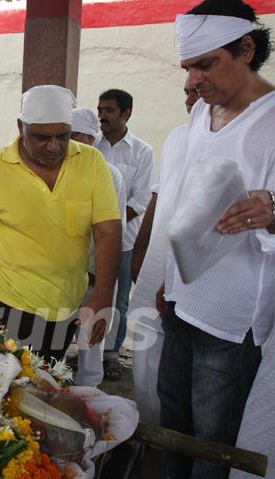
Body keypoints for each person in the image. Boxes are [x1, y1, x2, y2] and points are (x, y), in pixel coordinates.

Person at [156, 2, 275, 477]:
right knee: (174, 425)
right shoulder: (200, 116)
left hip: (231, 321)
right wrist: (171, 280)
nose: (196, 79)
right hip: (182, 303)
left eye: (207, 63)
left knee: (213, 442)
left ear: (246, 49)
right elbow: (186, 205)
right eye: (189, 67)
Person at [0, 85, 122, 360]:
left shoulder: (91, 162)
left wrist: (103, 293)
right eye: (42, 138)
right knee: (11, 382)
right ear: (21, 127)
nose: (54, 147)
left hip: (67, 303)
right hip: (10, 304)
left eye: (62, 136)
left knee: (48, 377)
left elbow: (108, 231)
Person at [127, 85, 199, 426]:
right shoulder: (177, 138)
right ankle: (148, 427)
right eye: (186, 91)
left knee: (183, 369)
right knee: (145, 348)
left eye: (196, 92)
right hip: (158, 265)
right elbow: (158, 198)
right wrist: (141, 252)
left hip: (195, 275)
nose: (188, 99)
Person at [94, 89, 154, 380]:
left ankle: (111, 354)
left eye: (109, 110)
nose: (102, 115)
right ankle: (85, 349)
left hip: (123, 241)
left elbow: (141, 200)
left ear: (126, 113)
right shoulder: (92, 146)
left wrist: (108, 225)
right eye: (100, 109)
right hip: (88, 240)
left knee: (118, 299)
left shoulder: (142, 152)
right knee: (87, 293)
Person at [69, 107, 127, 386]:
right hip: (60, 277)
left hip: (93, 275)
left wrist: (103, 286)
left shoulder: (109, 174)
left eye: (72, 136)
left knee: (90, 350)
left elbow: (112, 234)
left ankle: (87, 394)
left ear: (90, 139)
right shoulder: (56, 170)